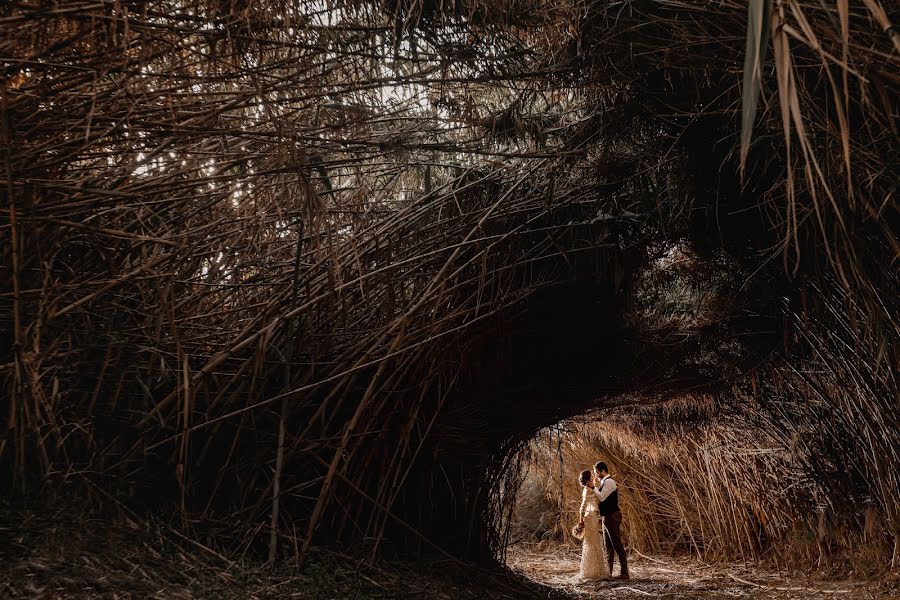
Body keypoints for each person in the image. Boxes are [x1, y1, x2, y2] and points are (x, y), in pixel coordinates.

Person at [593, 461, 629, 579]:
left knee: (616, 544)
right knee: (607, 545)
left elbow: (602, 497)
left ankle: (625, 573)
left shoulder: (609, 482)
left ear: (603, 471)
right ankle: (609, 573)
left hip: (612, 516)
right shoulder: (604, 482)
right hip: (607, 517)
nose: (596, 475)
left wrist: (593, 488)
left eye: (597, 472)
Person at [577, 469, 610, 580]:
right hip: (589, 518)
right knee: (591, 543)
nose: (594, 476)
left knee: (595, 542)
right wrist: (581, 520)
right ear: (588, 478)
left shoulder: (592, 488)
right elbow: (582, 506)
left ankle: (597, 570)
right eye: (592, 475)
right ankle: (590, 572)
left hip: (594, 517)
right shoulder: (587, 490)